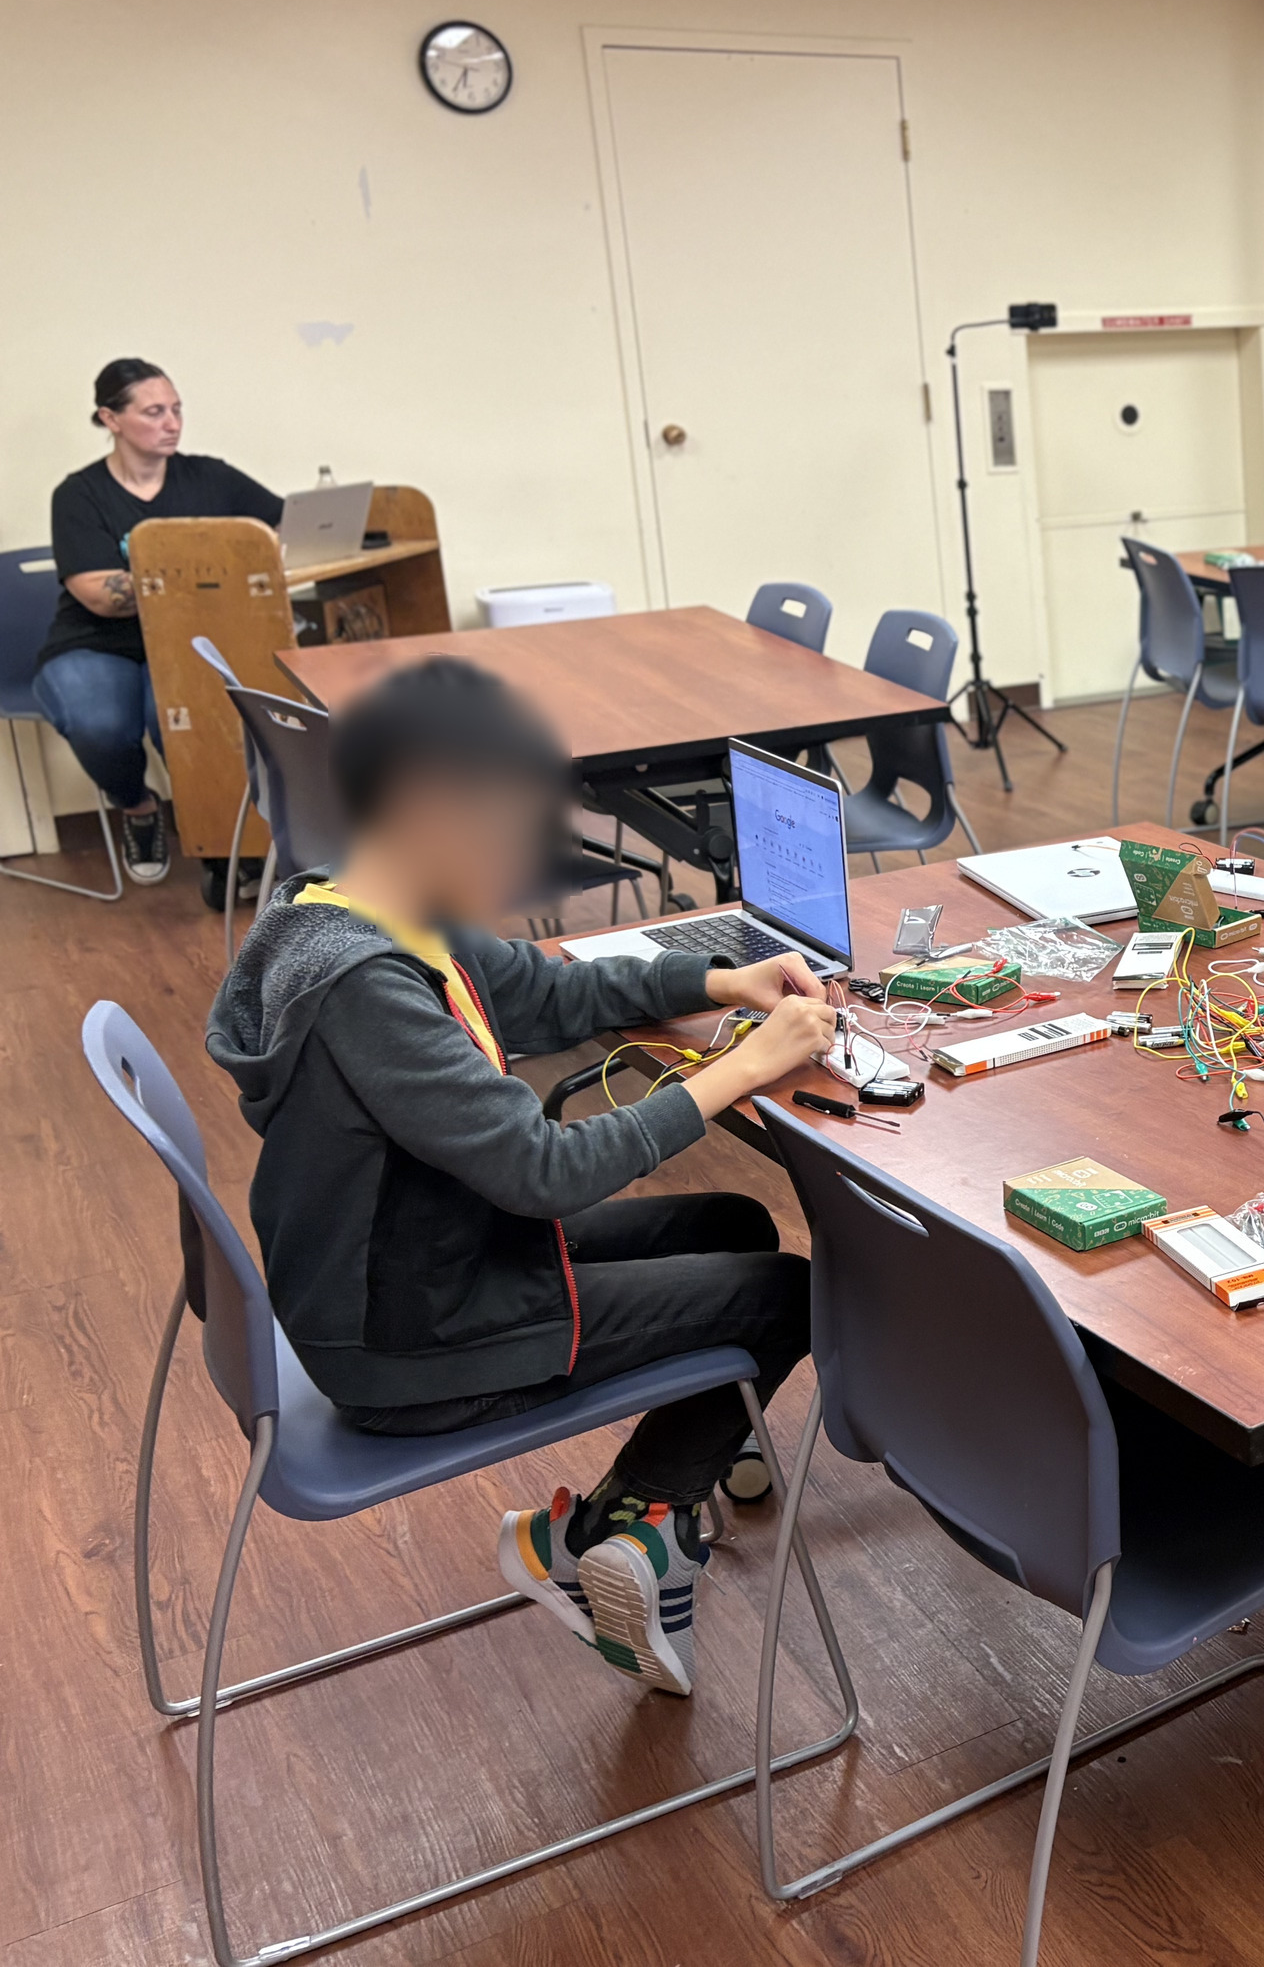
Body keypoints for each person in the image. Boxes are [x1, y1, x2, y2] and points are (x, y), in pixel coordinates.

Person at [206, 658, 842, 1697]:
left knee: (733, 1220)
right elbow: (544, 1171)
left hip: (407, 1257)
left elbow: (540, 996)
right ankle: (611, 1536)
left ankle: (660, 1494)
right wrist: (744, 1067)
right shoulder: (366, 985)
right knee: (790, 1297)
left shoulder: (359, 904)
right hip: (406, 1339)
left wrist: (719, 978)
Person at [40, 359, 285, 886]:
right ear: (110, 418)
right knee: (99, 726)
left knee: (189, 722)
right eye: (154, 412)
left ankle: (224, 843)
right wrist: (204, 577)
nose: (172, 423)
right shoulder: (79, 495)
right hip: (98, 642)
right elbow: (100, 596)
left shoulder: (212, 477)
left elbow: (281, 531)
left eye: (176, 409)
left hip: (189, 641)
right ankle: (138, 807)